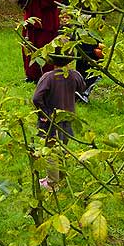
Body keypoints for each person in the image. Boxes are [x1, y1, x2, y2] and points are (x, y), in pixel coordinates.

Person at [33, 53, 86, 190]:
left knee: (51, 150)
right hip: (68, 117)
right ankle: (61, 176)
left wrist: (45, 112)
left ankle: (52, 182)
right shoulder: (75, 75)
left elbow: (36, 98)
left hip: (51, 120)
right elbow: (82, 88)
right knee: (62, 147)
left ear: (52, 60)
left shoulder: (48, 77)